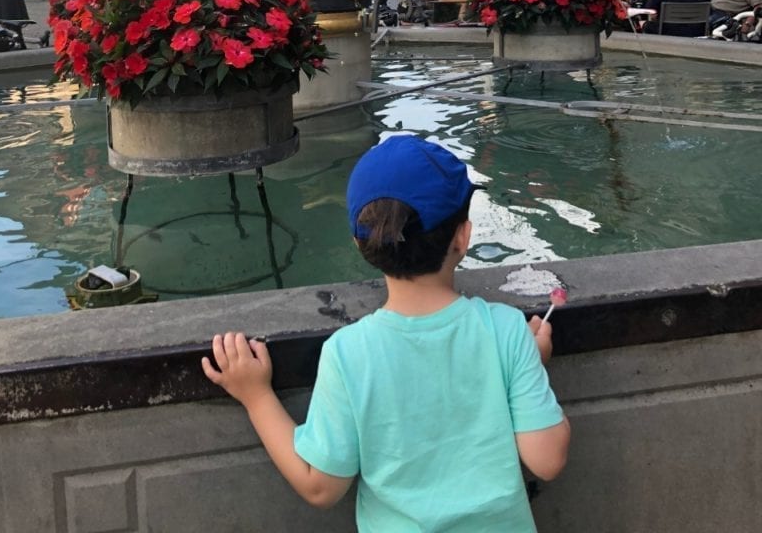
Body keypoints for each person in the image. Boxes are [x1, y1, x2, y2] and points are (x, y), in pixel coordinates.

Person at [203, 136, 570, 530]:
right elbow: (547, 460)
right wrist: (528, 363)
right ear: (463, 237)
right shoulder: (506, 330)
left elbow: (320, 487)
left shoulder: (349, 352)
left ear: (360, 244)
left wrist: (256, 395)